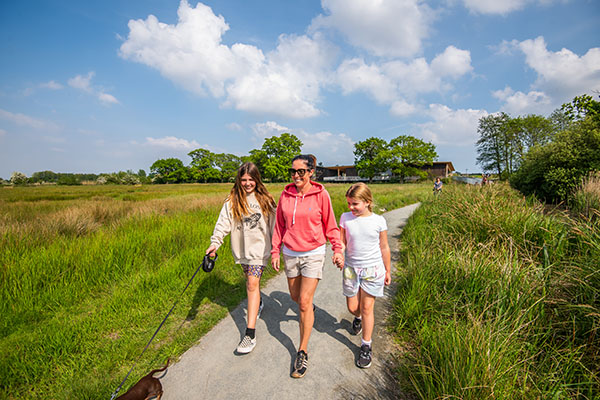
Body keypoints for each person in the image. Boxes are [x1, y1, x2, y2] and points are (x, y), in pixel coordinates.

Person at [271, 154, 344, 378]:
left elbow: (331, 225)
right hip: (291, 253)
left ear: (311, 172)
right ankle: (308, 310)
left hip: (313, 252)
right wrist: (275, 250)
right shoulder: (285, 195)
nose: (295, 175)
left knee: (303, 302)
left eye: (300, 171)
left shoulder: (321, 194)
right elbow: (279, 226)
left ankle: (302, 351)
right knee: (295, 297)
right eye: (292, 171)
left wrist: (337, 249)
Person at [206, 162, 276, 354]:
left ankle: (250, 333)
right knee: (250, 283)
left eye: (251, 179)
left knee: (252, 285)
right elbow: (223, 224)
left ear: (257, 179)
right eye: (243, 179)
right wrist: (214, 244)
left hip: (259, 251)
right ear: (239, 180)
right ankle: (259, 302)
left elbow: (274, 226)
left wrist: (277, 249)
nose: (247, 183)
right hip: (241, 251)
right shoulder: (232, 200)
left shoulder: (266, 200)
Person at [337, 182, 391, 369]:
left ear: (367, 202)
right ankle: (357, 318)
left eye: (355, 204)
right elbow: (342, 242)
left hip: (373, 269)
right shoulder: (345, 218)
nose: (351, 208)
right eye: (349, 204)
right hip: (352, 268)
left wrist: (388, 270)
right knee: (354, 307)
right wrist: (338, 253)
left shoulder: (378, 221)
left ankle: (366, 345)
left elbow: (384, 247)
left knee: (367, 307)